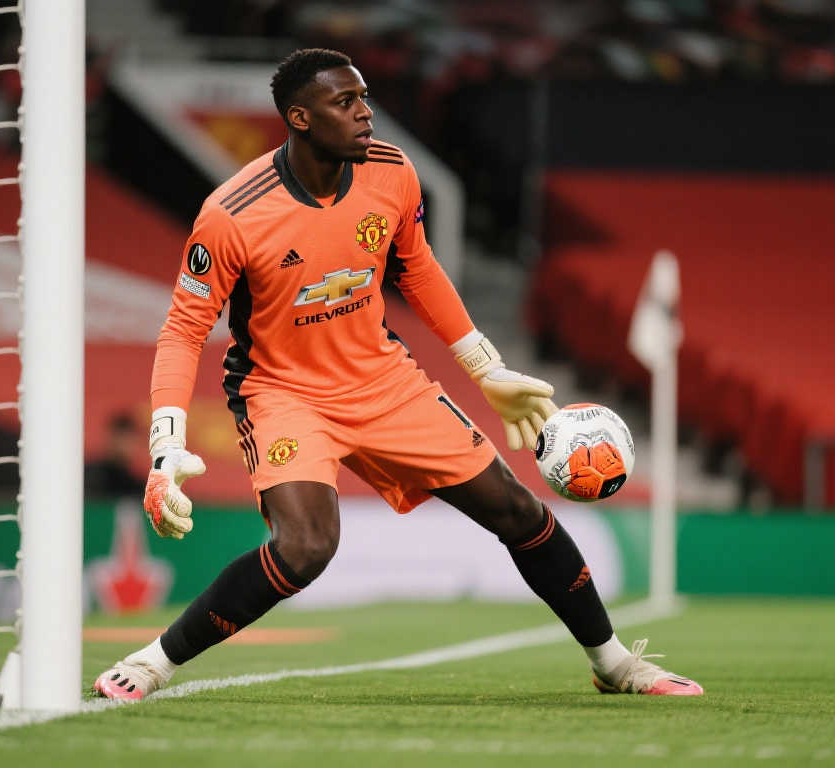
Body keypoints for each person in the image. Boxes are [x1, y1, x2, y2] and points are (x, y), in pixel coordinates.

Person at [94, 49, 702, 700]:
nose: (365, 113)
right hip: (283, 393)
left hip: (384, 381)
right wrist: (166, 446)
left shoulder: (392, 171)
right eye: (345, 102)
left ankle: (614, 664)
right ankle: (154, 662)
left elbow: (417, 269)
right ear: (299, 118)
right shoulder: (232, 214)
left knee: (518, 510)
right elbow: (183, 329)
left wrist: (485, 367)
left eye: (364, 97)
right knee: (305, 548)